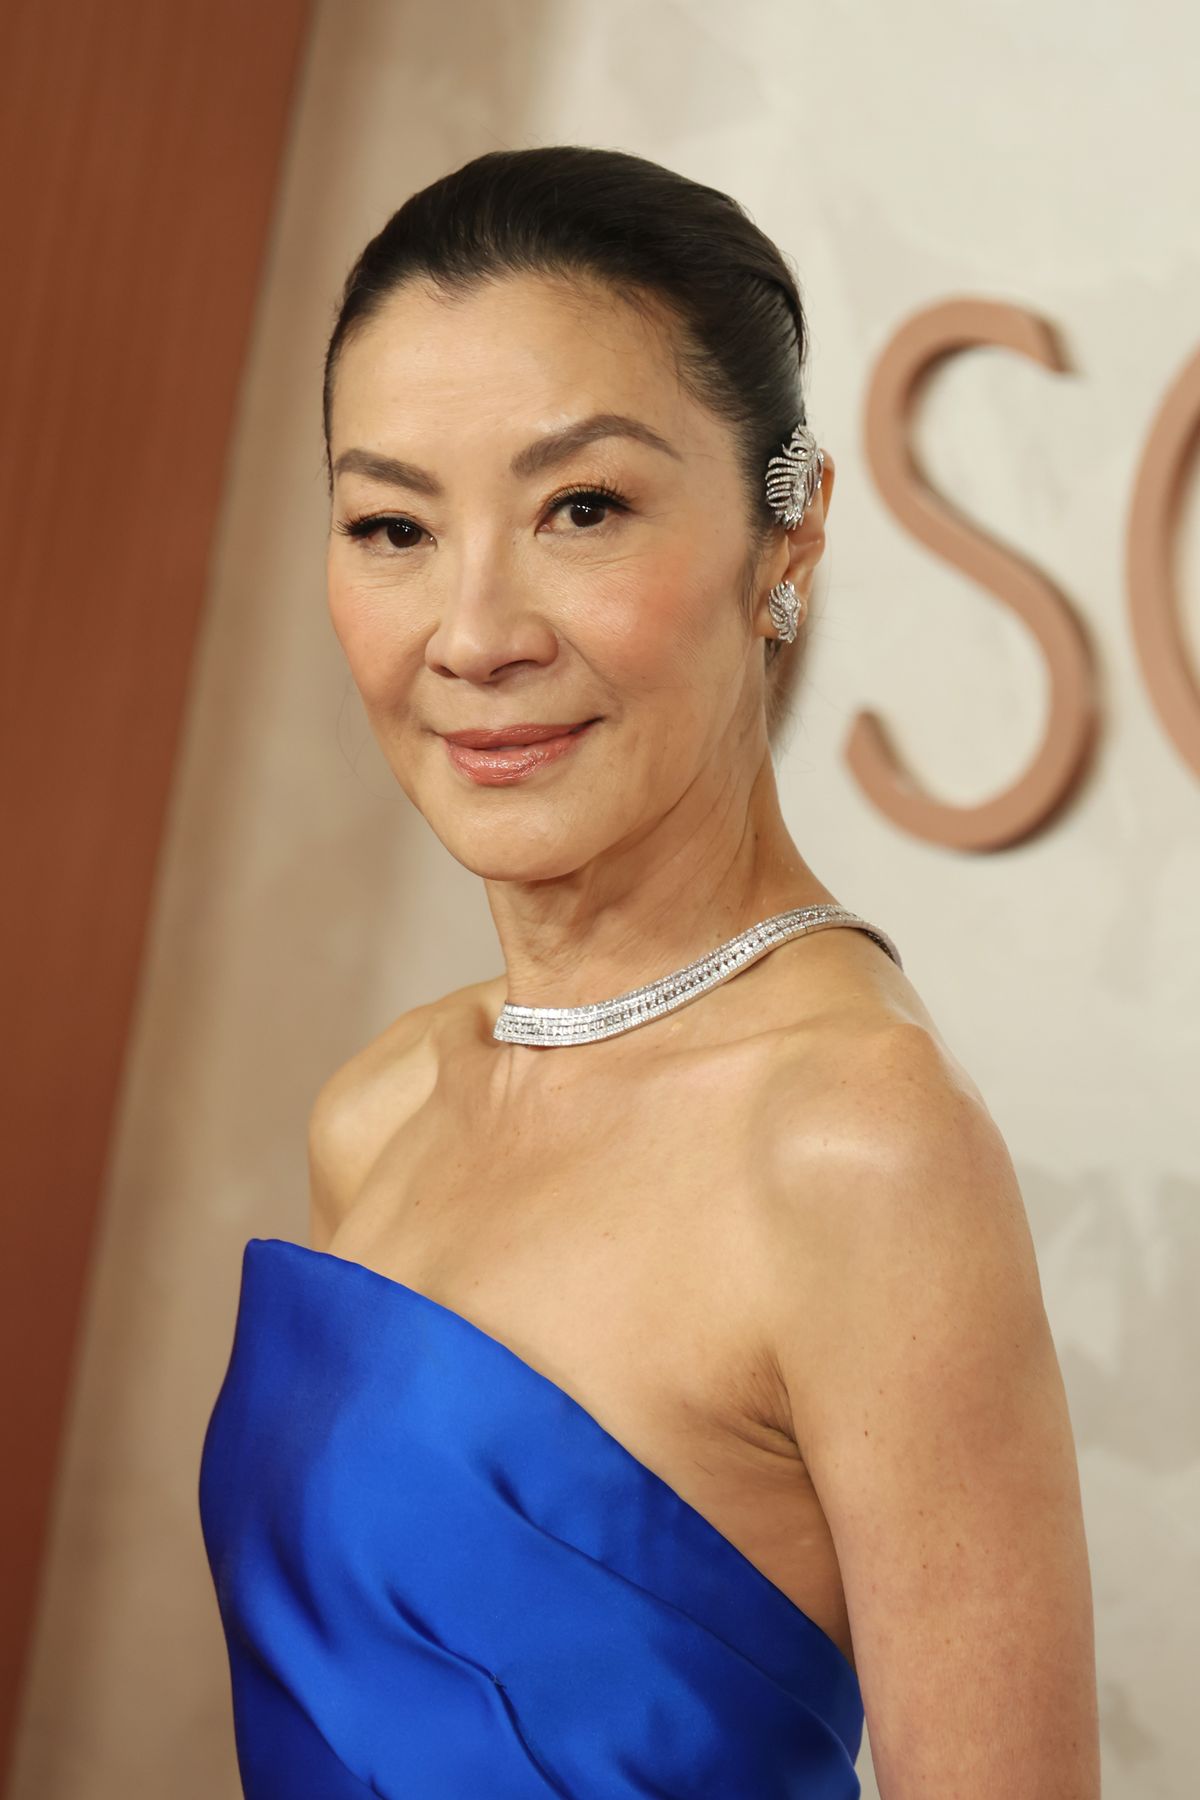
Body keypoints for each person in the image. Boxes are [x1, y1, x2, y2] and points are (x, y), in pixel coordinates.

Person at [199, 145, 1100, 1798]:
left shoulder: (855, 1143)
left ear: (790, 535)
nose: (473, 633)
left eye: (583, 509)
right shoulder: (382, 1108)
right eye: (391, 524)